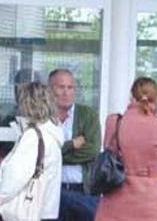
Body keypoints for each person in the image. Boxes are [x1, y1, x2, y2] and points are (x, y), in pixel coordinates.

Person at [94, 77, 157, 221]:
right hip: (151, 202)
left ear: (131, 96)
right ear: (155, 98)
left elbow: (108, 149)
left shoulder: (114, 121)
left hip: (116, 198)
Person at [0, 82, 64, 221]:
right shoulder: (52, 134)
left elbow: (15, 177)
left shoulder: (33, 137)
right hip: (45, 212)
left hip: (27, 213)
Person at [48, 69, 100, 221]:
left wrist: (57, 153)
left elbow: (92, 151)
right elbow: (42, 155)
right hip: (51, 193)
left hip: (83, 193)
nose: (66, 92)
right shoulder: (44, 116)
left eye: (70, 87)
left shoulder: (88, 115)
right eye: (61, 87)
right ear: (50, 90)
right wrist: (72, 144)